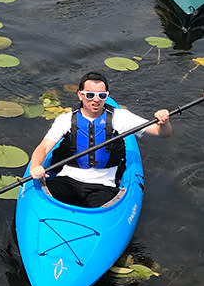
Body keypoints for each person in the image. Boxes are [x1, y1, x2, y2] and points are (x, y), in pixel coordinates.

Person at [27, 72, 171, 208]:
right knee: (50, 195)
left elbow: (162, 133)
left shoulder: (121, 118)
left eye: (102, 95)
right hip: (67, 179)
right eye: (90, 95)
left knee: (104, 206)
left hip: (103, 185)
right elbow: (44, 147)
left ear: (106, 97)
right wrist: (35, 166)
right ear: (80, 95)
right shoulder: (65, 120)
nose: (96, 100)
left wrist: (164, 123)